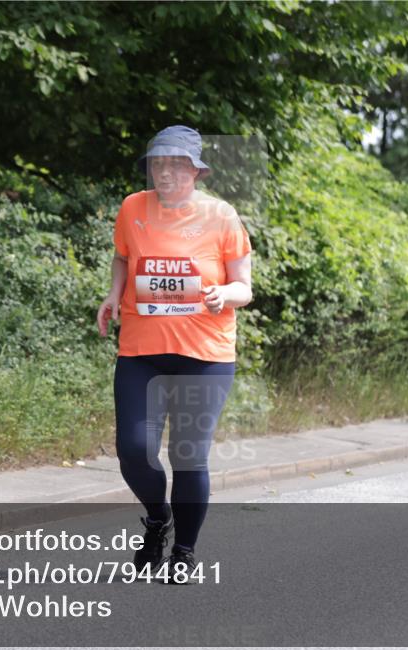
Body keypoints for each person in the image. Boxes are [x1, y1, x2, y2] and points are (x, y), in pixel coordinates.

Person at [96, 125, 253, 583]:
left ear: (196, 171)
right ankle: (158, 518)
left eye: (175, 165)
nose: (164, 172)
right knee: (134, 451)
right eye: (157, 164)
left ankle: (183, 552)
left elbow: (245, 287)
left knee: (189, 456)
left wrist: (224, 293)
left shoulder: (222, 216)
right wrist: (113, 294)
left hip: (204, 355)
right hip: (141, 352)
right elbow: (124, 258)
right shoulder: (132, 208)